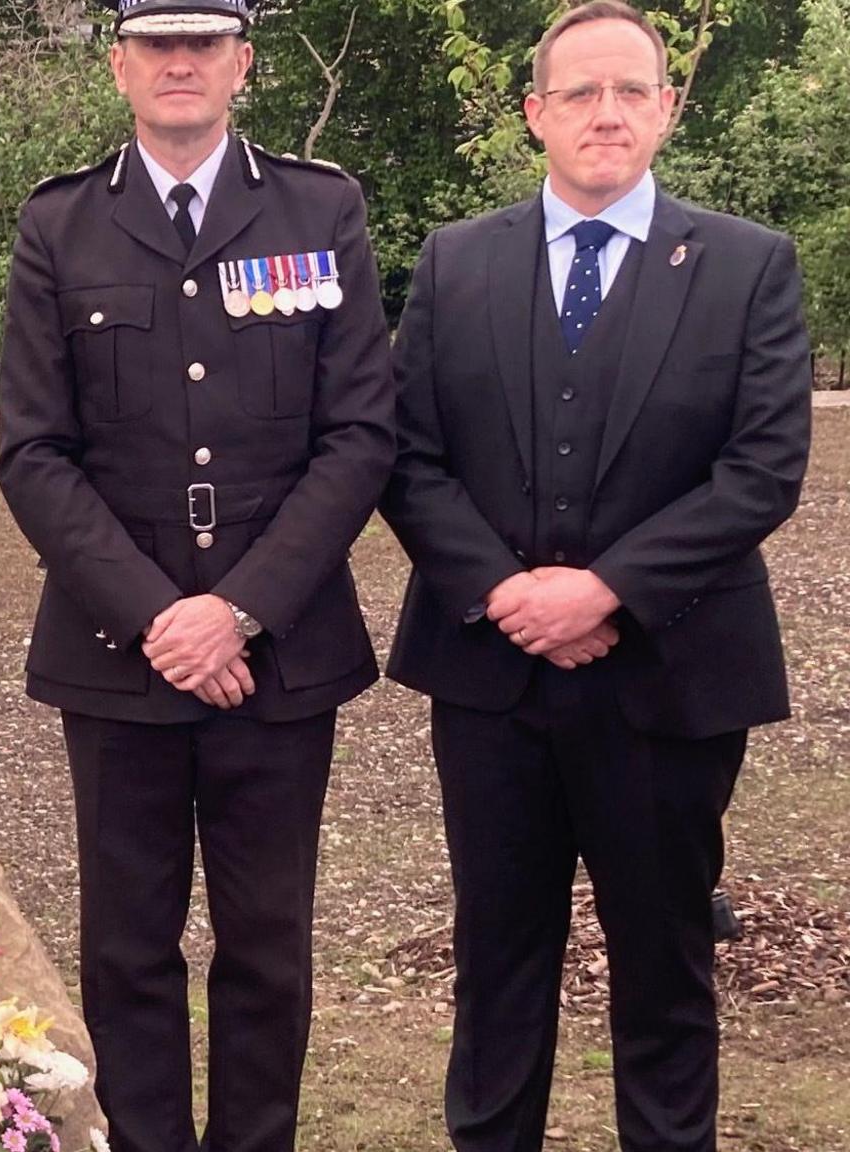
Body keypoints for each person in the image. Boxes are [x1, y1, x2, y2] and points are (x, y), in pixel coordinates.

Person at [378, 5, 812, 1150]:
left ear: (668, 108)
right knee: (495, 968)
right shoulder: (453, 261)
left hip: (668, 684)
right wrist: (508, 595)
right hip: (490, 681)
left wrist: (601, 589)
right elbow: (407, 456)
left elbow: (761, 471)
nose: (604, 114)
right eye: (577, 93)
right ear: (534, 114)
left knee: (663, 971)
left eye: (630, 90)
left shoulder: (748, 265)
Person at [0, 1, 396, 1148]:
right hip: (118, 658)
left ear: (241, 64)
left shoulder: (320, 207)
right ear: (118, 63)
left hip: (280, 651)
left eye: (203, 44)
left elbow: (359, 433)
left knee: (267, 946)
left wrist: (238, 611)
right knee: (126, 947)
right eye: (157, 44)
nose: (180, 63)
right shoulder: (62, 224)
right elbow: (32, 450)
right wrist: (161, 618)